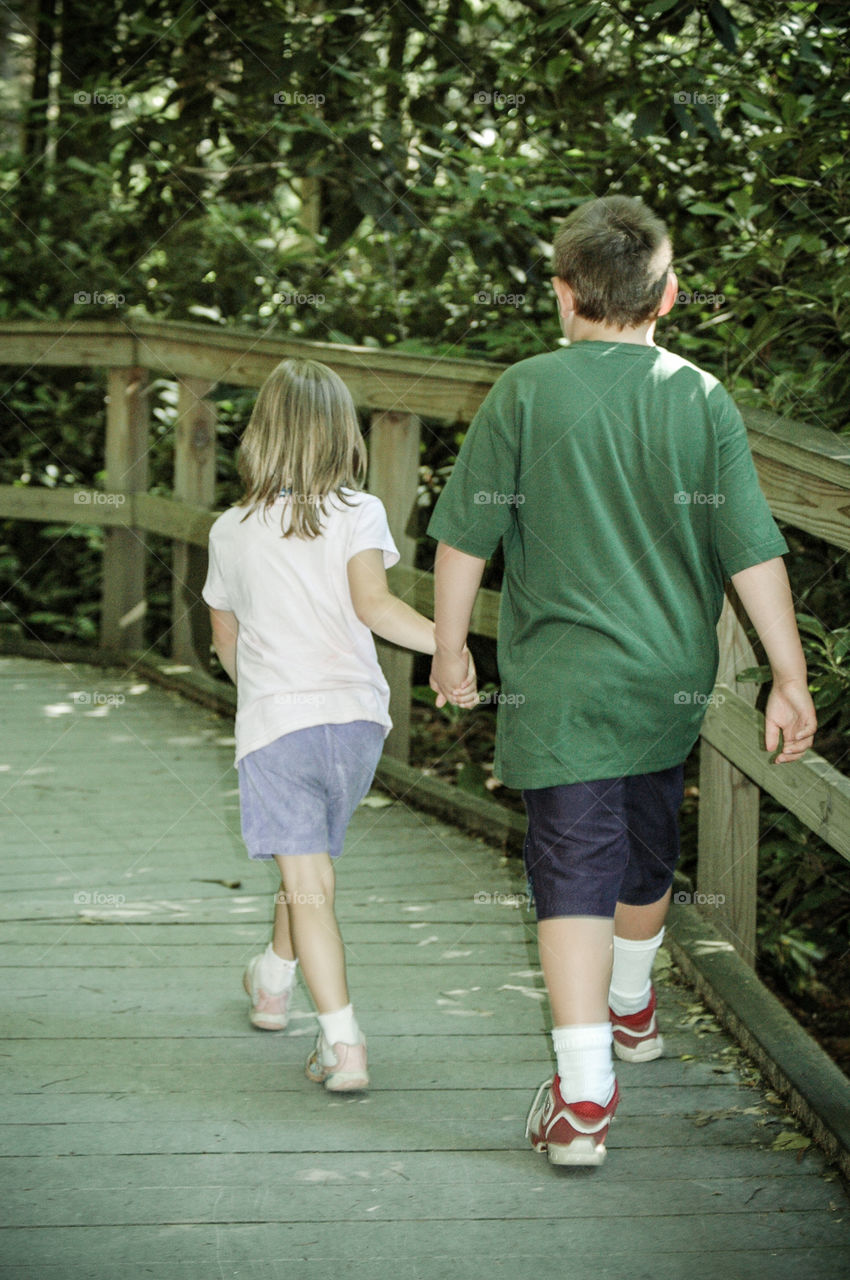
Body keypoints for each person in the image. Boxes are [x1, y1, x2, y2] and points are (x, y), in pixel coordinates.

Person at [427, 195, 817, 1165]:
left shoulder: (524, 390)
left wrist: (449, 648)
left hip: (561, 687)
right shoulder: (700, 396)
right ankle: (631, 1007)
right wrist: (789, 674)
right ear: (668, 296)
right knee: (645, 848)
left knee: (573, 868)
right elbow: (751, 547)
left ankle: (584, 1101)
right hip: (666, 680)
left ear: (563, 293)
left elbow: (465, 539)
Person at [203, 357, 476, 1092]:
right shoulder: (359, 511)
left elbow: (225, 641)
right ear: (341, 435)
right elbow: (376, 608)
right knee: (310, 866)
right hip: (356, 726)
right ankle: (272, 980)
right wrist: (448, 648)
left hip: (278, 727)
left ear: (260, 435)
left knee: (308, 880)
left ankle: (342, 1044)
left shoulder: (229, 530)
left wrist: (261, 694)